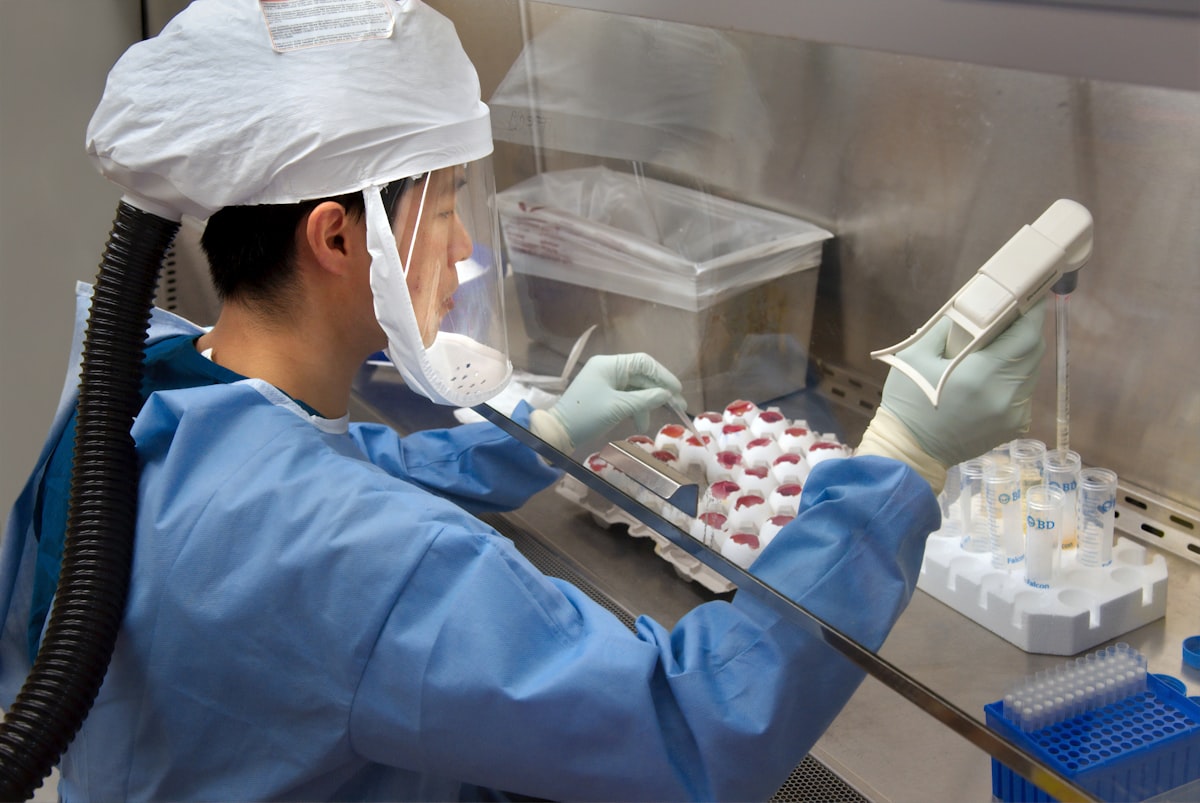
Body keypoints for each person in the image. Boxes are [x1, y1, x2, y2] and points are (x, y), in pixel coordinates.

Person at [0, 1, 1046, 800]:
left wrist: (535, 439)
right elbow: (691, 723)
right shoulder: (358, 554)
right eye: (445, 206)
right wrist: (904, 459)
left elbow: (312, 480)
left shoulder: (137, 390)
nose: (460, 251)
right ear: (336, 237)